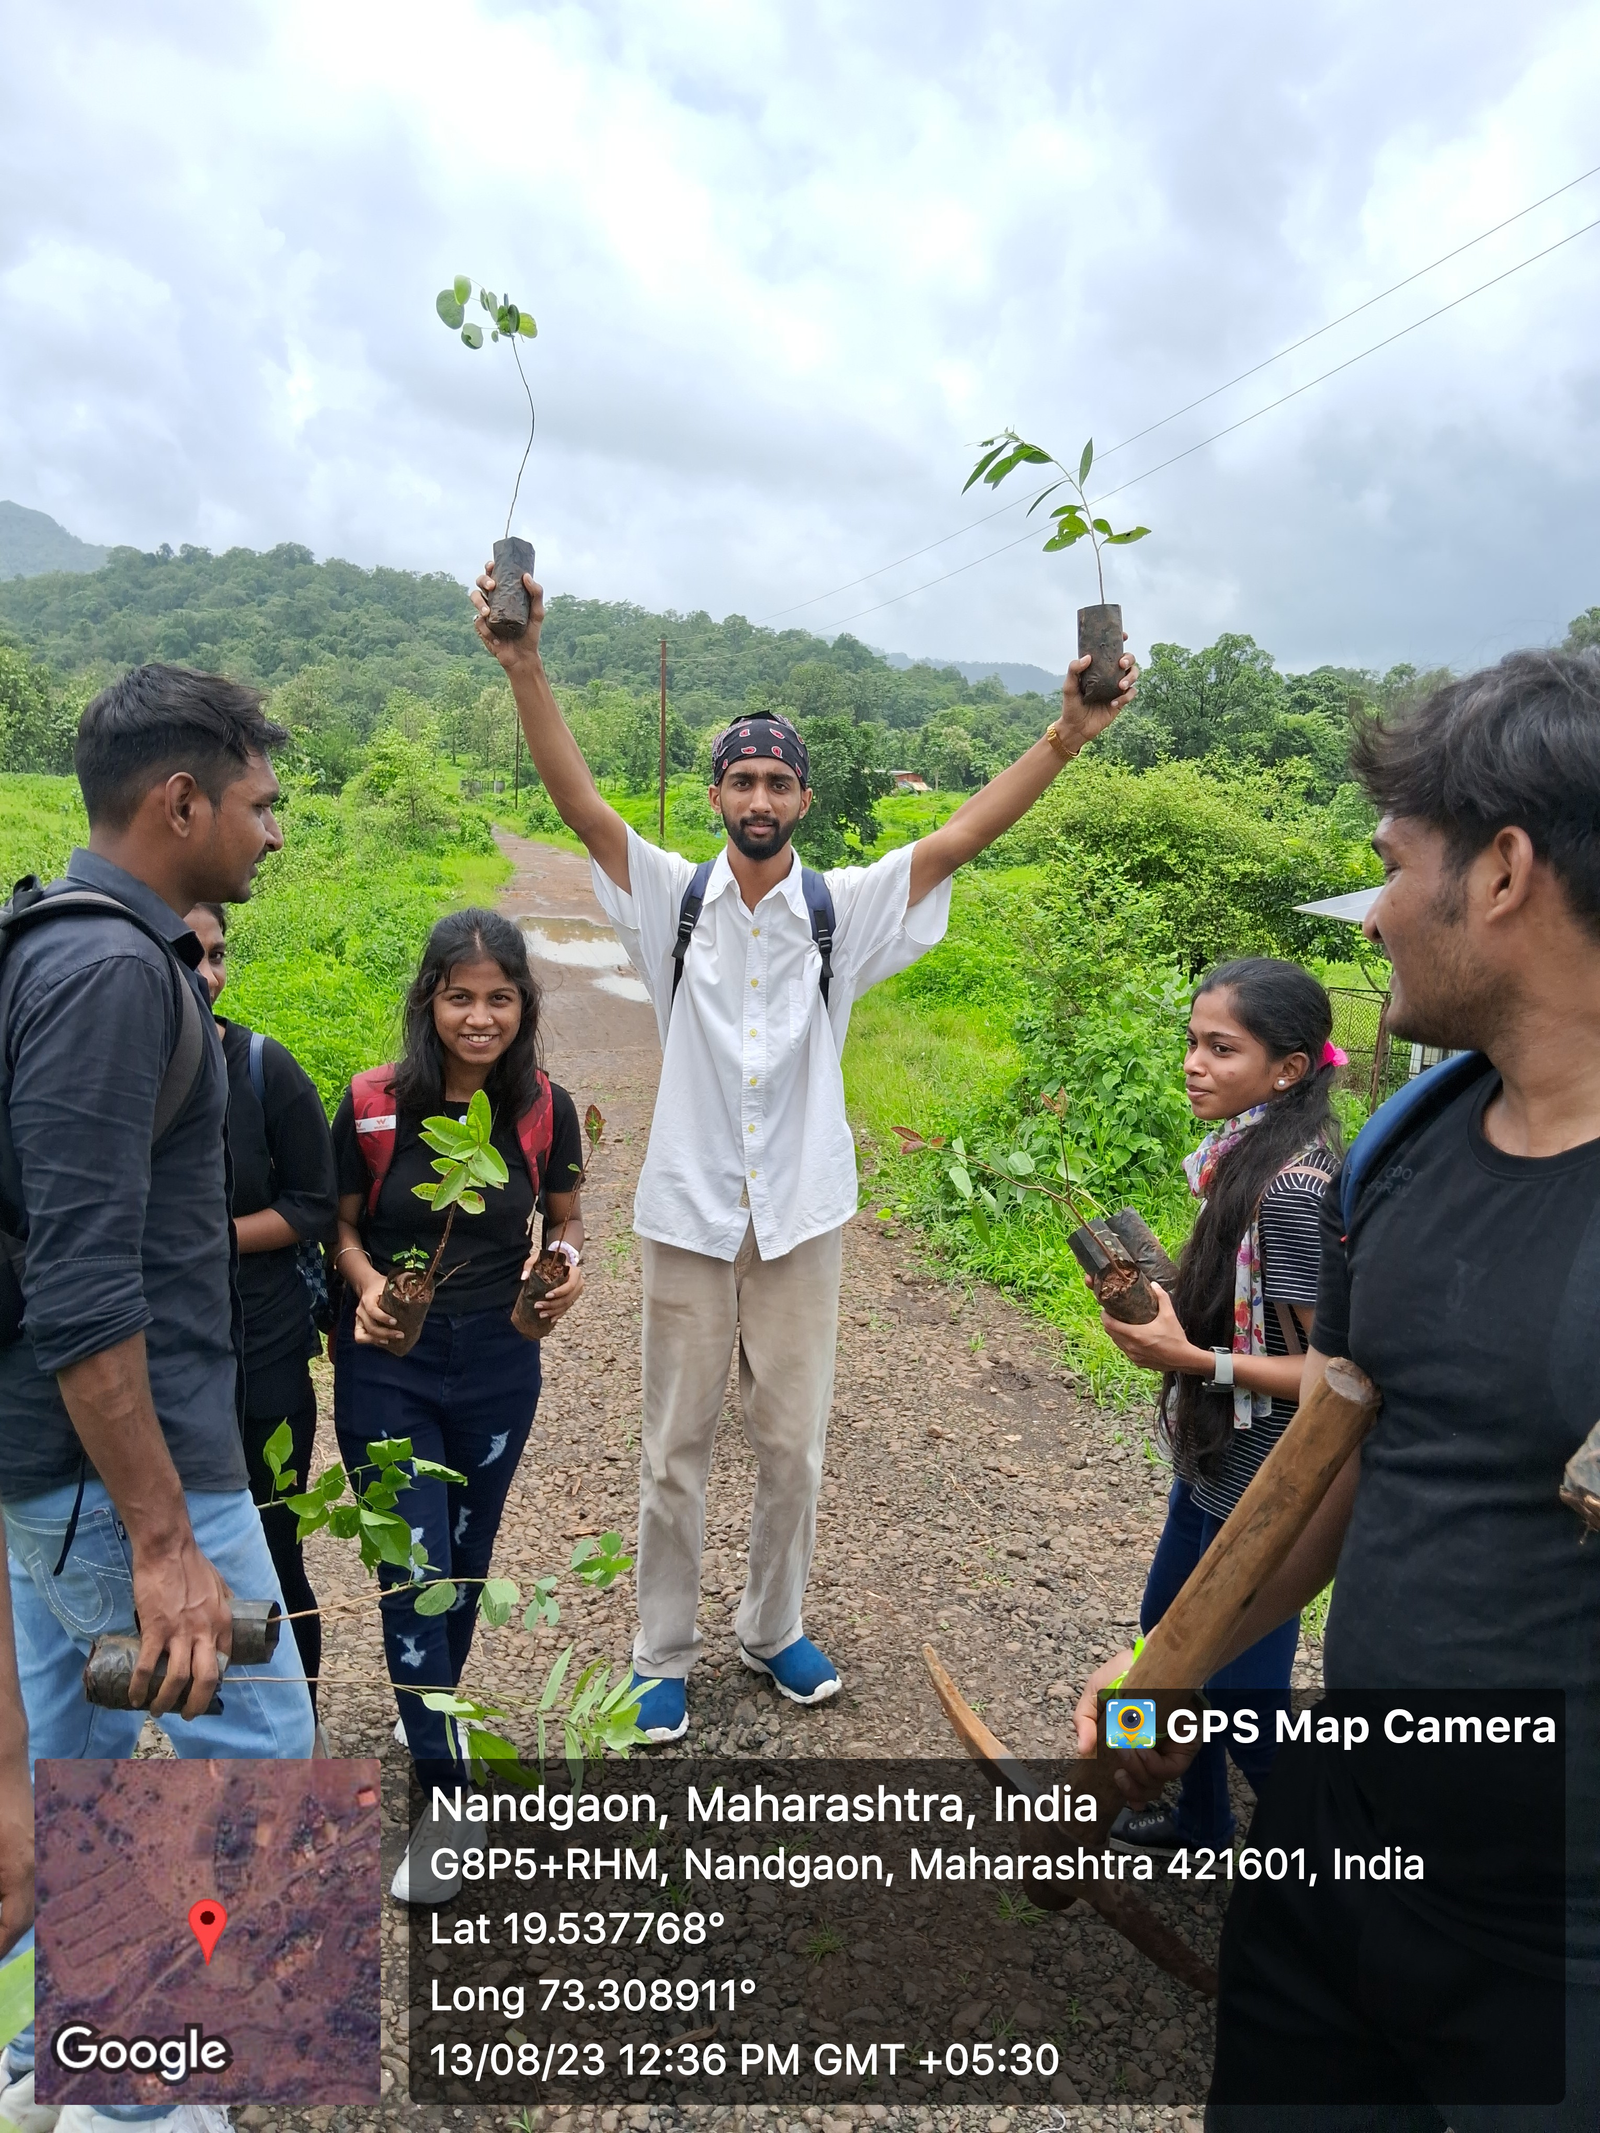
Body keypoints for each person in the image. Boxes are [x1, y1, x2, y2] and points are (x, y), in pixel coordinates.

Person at [473, 560, 1137, 1743]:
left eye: (779, 779)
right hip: (686, 1216)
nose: (761, 795)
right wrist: (525, 664)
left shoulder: (842, 910)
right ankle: (659, 1651)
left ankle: (771, 1627)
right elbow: (578, 807)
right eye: (742, 778)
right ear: (717, 793)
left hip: (800, 1217)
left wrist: (1067, 735)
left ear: (805, 798)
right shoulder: (670, 898)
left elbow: (959, 838)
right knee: (673, 1451)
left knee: (793, 1446)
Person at [1075, 650, 1600, 2126]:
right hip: (1341, 1848)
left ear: (1501, 872)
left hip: (1554, 1948)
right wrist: (1164, 1672)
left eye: (1391, 868)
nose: (1371, 915)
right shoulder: (1417, 1142)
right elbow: (1337, 1448)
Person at [0, 663, 314, 2133]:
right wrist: (162, 1533)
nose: (271, 830)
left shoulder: (71, 950)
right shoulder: (111, 974)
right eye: (257, 802)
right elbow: (79, 1283)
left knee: (64, 1755)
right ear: (180, 800)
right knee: (255, 1751)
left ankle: (51, 2041)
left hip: (56, 1473)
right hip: (109, 1472)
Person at [329, 909, 585, 1899]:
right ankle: (446, 1792)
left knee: (466, 1564)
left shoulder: (545, 1110)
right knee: (411, 1569)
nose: (478, 1018)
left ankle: (424, 1695)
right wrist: (362, 1287)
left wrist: (565, 1272)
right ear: (427, 999)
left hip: (498, 1361)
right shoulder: (370, 1105)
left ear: (523, 1008)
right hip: (388, 1359)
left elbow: (564, 1223)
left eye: (499, 999)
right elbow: (341, 1228)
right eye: (459, 996)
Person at [1093, 958, 1342, 1857]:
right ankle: (1176, 1816)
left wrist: (1191, 1356)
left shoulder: (1295, 1192)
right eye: (1193, 1042)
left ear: (1288, 1069)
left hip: (1266, 1486)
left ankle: (1349, 1876)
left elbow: (1330, 1378)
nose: (1195, 1062)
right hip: (1212, 1466)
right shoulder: (1247, 1154)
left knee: (1243, 1702)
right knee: (1161, 1650)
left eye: (1221, 1048)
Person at [183, 902, 338, 1745]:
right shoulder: (113, 1077)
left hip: (266, 1350)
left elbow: (312, 1205)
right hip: (164, 1369)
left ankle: (294, 1734)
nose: (207, 973)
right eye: (188, 954)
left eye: (218, 955)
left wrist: (201, 1242)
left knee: (275, 1553)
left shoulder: (261, 1070)